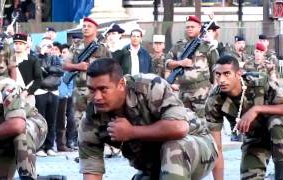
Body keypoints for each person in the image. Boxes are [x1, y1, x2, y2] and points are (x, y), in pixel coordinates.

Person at [78, 58, 218, 180]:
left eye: (103, 89)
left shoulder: (149, 86)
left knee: (174, 148)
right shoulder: (91, 119)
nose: (96, 97)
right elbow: (92, 170)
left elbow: (179, 128)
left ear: (121, 84)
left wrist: (131, 132)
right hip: (156, 165)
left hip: (197, 146)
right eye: (92, 90)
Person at [205, 54, 283, 180]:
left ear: (238, 74)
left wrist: (256, 109)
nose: (221, 80)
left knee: (275, 122)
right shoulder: (214, 101)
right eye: (218, 74)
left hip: (281, 128)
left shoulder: (259, 81)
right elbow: (217, 149)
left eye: (227, 74)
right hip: (255, 137)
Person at [0, 61, 47, 179]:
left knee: (21, 134)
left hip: (33, 125)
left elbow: (17, 125)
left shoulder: (5, 86)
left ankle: (28, 177)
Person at [63, 17, 111, 133]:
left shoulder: (102, 48)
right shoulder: (75, 46)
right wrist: (78, 66)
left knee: (98, 119)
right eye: (84, 26)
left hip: (97, 91)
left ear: (96, 29)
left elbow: (110, 68)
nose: (85, 28)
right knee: (78, 121)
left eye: (89, 26)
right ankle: (82, 145)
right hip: (79, 89)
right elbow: (65, 65)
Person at [165, 15, 219, 118]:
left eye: (192, 27)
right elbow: (167, 63)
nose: (189, 29)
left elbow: (216, 68)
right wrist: (180, 63)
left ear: (199, 27)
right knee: (185, 123)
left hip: (202, 92)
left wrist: (214, 90)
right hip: (183, 93)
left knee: (203, 124)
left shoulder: (207, 46)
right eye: (188, 27)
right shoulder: (179, 45)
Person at [35, 38, 64, 157]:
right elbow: (37, 72)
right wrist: (42, 57)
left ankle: (50, 146)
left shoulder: (56, 58)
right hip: (40, 91)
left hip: (54, 92)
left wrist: (47, 69)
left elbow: (60, 71)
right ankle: (40, 147)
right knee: (41, 121)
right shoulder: (36, 58)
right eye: (46, 45)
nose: (49, 48)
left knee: (52, 121)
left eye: (50, 46)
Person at [13, 33, 42, 106]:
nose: (18, 46)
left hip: (28, 96)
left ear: (26, 45)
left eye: (21, 44)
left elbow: (38, 79)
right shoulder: (9, 60)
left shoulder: (32, 60)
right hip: (11, 96)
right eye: (16, 43)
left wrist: (27, 91)